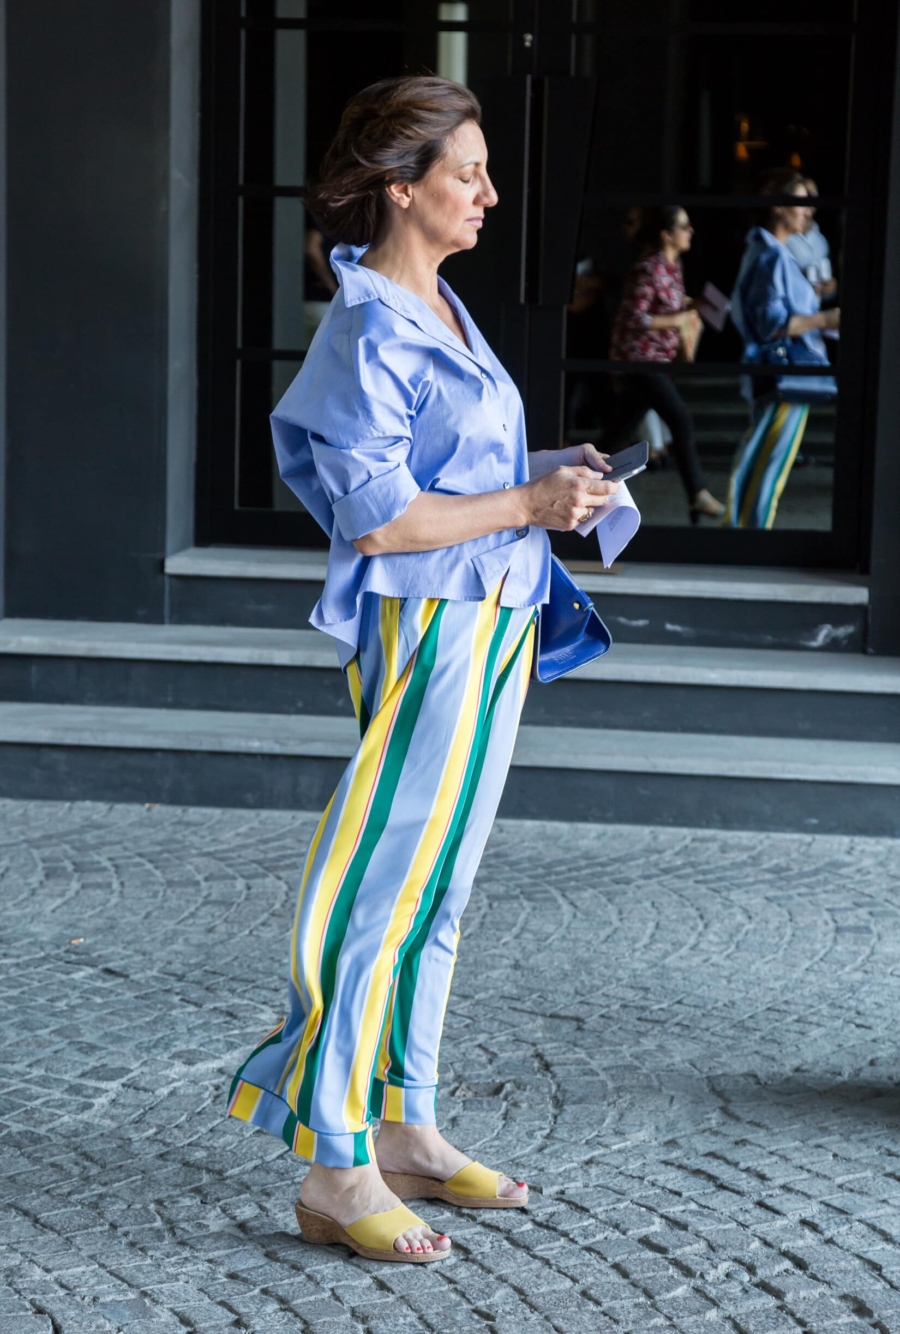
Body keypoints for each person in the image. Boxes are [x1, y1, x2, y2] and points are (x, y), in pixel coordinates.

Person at [226, 76, 621, 1264]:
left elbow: (454, 477)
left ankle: (407, 1125)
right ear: (402, 188)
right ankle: (334, 1166)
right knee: (381, 889)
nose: (490, 193)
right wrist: (529, 499)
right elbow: (380, 519)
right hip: (432, 628)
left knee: (440, 891)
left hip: (498, 618)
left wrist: (561, 476)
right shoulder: (367, 324)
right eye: (469, 173)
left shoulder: (442, 307)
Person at [727, 171, 840, 529]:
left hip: (780, 374)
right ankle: (748, 534)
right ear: (778, 207)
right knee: (768, 460)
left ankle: (743, 531)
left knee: (764, 456)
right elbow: (772, 324)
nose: (808, 214)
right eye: (801, 204)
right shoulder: (771, 256)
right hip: (784, 374)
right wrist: (825, 318)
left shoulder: (769, 253)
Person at [606, 207, 725, 524]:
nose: (691, 231)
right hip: (640, 360)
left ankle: (577, 482)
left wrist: (691, 307)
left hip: (657, 359)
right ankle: (698, 494)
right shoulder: (649, 268)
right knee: (680, 419)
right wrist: (679, 318)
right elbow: (635, 317)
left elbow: (668, 306)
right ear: (666, 234)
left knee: (616, 434)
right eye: (685, 226)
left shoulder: (673, 267)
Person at [785, 177, 837, 301]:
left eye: (812, 194)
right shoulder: (783, 237)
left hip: (813, 316)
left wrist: (830, 289)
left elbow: (826, 292)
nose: (808, 199)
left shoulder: (821, 241)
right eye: (804, 194)